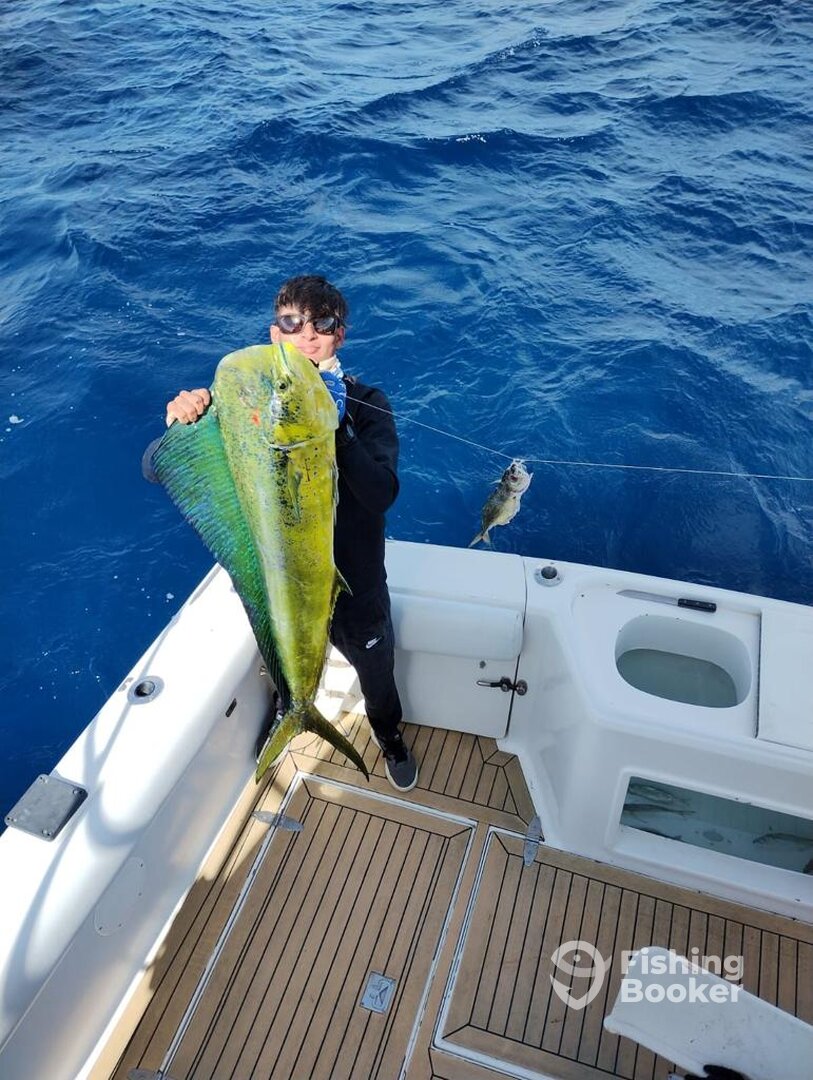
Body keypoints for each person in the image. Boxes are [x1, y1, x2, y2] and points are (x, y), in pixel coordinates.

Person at [161, 275, 418, 792]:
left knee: (376, 670)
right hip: (278, 579)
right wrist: (183, 422)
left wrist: (338, 430)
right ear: (274, 332)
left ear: (340, 335)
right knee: (284, 662)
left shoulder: (366, 403)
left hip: (355, 584)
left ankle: (388, 734)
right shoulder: (243, 404)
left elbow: (381, 494)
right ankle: (291, 711)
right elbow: (154, 465)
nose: (307, 335)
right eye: (292, 323)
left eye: (322, 324)